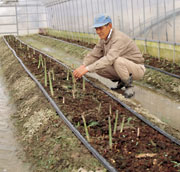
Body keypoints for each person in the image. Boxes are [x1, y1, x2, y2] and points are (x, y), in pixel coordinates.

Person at [73, 14, 145, 98]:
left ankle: (129, 87)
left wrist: (87, 69)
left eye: (101, 28)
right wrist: (83, 66)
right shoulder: (104, 39)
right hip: (122, 67)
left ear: (110, 26)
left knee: (117, 61)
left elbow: (109, 58)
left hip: (136, 68)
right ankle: (122, 80)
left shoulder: (118, 38)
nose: (98, 32)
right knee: (97, 66)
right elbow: (94, 54)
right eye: (96, 29)